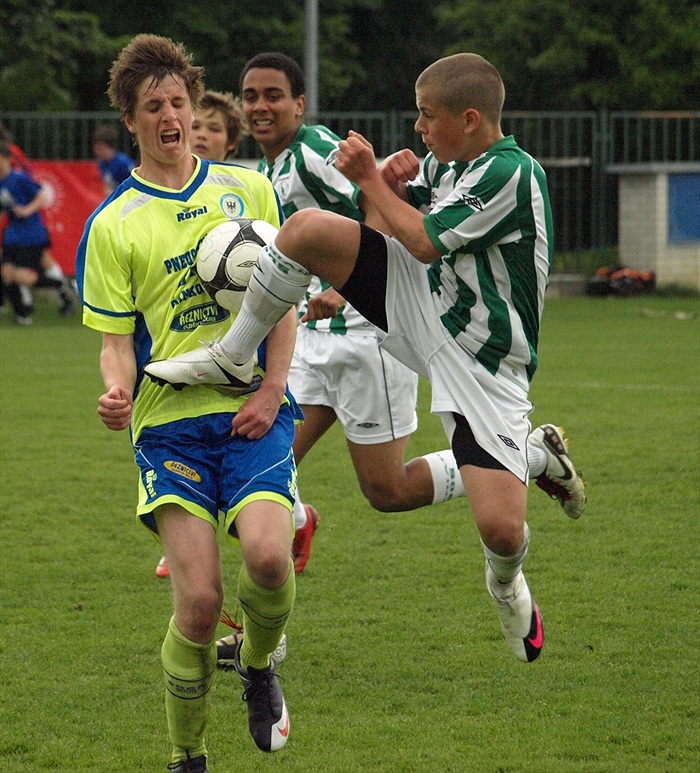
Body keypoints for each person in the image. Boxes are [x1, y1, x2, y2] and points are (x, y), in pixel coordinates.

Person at [146, 52, 582, 665]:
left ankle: (508, 575)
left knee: (501, 531)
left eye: (428, 117)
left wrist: (373, 180)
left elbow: (425, 240)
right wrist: (393, 187)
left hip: (485, 361)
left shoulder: (510, 171)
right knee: (302, 232)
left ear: (471, 117)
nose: (419, 129)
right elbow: (384, 227)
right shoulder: (443, 164)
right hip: (422, 304)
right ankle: (232, 355)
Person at [77, 34, 301, 771]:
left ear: (191, 104)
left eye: (178, 101)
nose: (169, 115)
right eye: (153, 106)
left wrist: (273, 387)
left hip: (252, 412)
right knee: (199, 603)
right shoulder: (113, 224)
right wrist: (115, 386)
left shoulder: (248, 190)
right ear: (133, 120)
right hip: (169, 422)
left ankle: (260, 664)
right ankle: (187, 755)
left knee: (270, 557)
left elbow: (282, 301)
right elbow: (115, 341)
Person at [155, 89, 250, 580]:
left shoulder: (247, 189)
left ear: (232, 142)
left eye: (215, 129)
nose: (203, 135)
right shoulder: (142, 205)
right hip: (178, 374)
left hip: (260, 361)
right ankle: (186, 535)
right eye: (200, 126)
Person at [0, 123, 75, 318]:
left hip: (29, 230)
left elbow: (41, 194)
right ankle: (24, 308)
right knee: (10, 272)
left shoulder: (14, 165)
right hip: (13, 231)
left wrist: (26, 209)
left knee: (25, 272)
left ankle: (58, 289)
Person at [92, 123, 136, 195]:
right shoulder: (102, 163)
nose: (97, 152)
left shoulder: (124, 163)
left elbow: (134, 184)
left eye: (100, 149)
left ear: (110, 148)